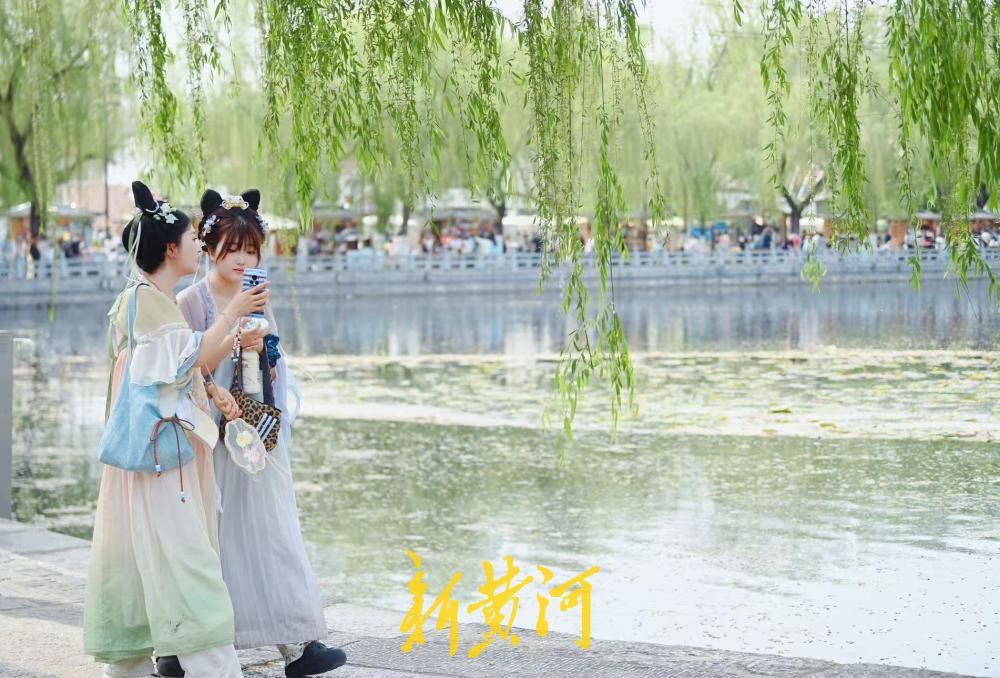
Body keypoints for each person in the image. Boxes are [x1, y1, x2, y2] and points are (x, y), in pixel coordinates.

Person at [83, 181, 269, 678]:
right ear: (170, 248)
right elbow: (182, 360)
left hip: (152, 451)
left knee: (149, 556)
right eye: (191, 239)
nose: (198, 246)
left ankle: (133, 668)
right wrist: (233, 312)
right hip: (162, 453)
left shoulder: (146, 299)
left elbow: (182, 365)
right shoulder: (147, 301)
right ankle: (216, 668)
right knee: (189, 560)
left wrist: (213, 377)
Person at [173, 189, 347, 678]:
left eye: (251, 250)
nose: (242, 259)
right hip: (213, 432)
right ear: (210, 247)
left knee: (274, 526)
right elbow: (187, 367)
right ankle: (185, 645)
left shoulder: (257, 295)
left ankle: (298, 641)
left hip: (256, 429)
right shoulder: (191, 300)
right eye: (233, 248)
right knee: (211, 536)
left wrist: (263, 348)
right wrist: (233, 337)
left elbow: (273, 364)